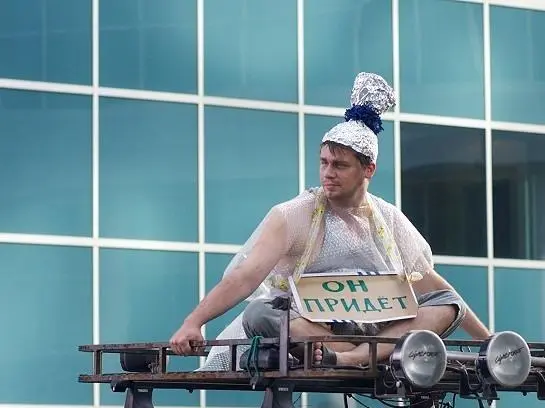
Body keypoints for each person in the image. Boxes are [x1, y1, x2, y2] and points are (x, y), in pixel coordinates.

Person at [169, 72, 491, 370]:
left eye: (340, 165)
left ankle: (352, 358)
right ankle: (360, 355)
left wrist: (488, 341)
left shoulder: (388, 217)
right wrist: (193, 321)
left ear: (368, 169)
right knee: (260, 312)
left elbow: (432, 284)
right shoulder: (294, 214)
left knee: (449, 303)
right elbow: (244, 277)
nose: (328, 173)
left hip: (375, 332)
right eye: (323, 162)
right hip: (316, 330)